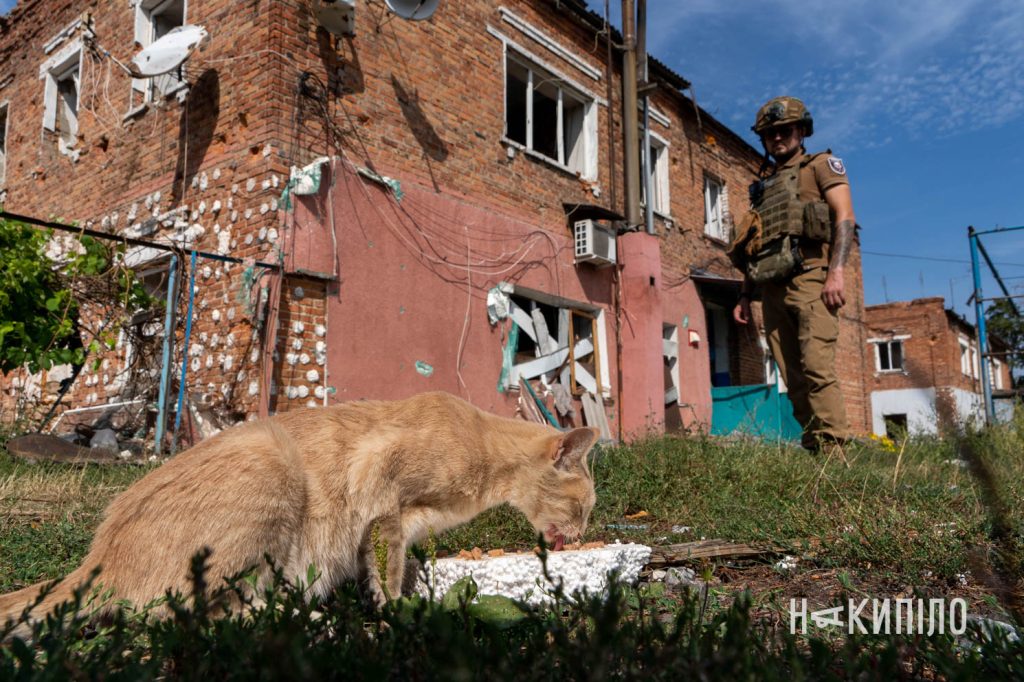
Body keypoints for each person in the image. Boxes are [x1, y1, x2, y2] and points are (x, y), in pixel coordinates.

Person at [730, 96, 857, 451]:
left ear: (802, 130)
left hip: (812, 278)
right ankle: (816, 447)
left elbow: (845, 217)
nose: (777, 138)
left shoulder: (821, 166)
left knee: (817, 368)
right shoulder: (763, 188)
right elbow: (757, 242)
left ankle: (837, 455)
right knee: (792, 375)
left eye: (785, 130)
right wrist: (745, 294)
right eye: (769, 133)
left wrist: (837, 273)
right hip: (771, 286)